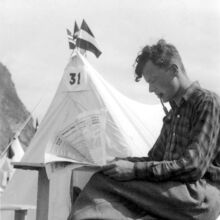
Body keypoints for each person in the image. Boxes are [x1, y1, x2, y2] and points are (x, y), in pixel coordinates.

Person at [69, 39, 220, 220]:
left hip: (199, 196)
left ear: (174, 70)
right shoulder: (174, 114)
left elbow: (192, 167)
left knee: (103, 182)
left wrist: (133, 169)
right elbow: (154, 159)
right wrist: (116, 162)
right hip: (177, 192)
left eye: (153, 80)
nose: (150, 89)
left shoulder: (207, 102)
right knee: (107, 177)